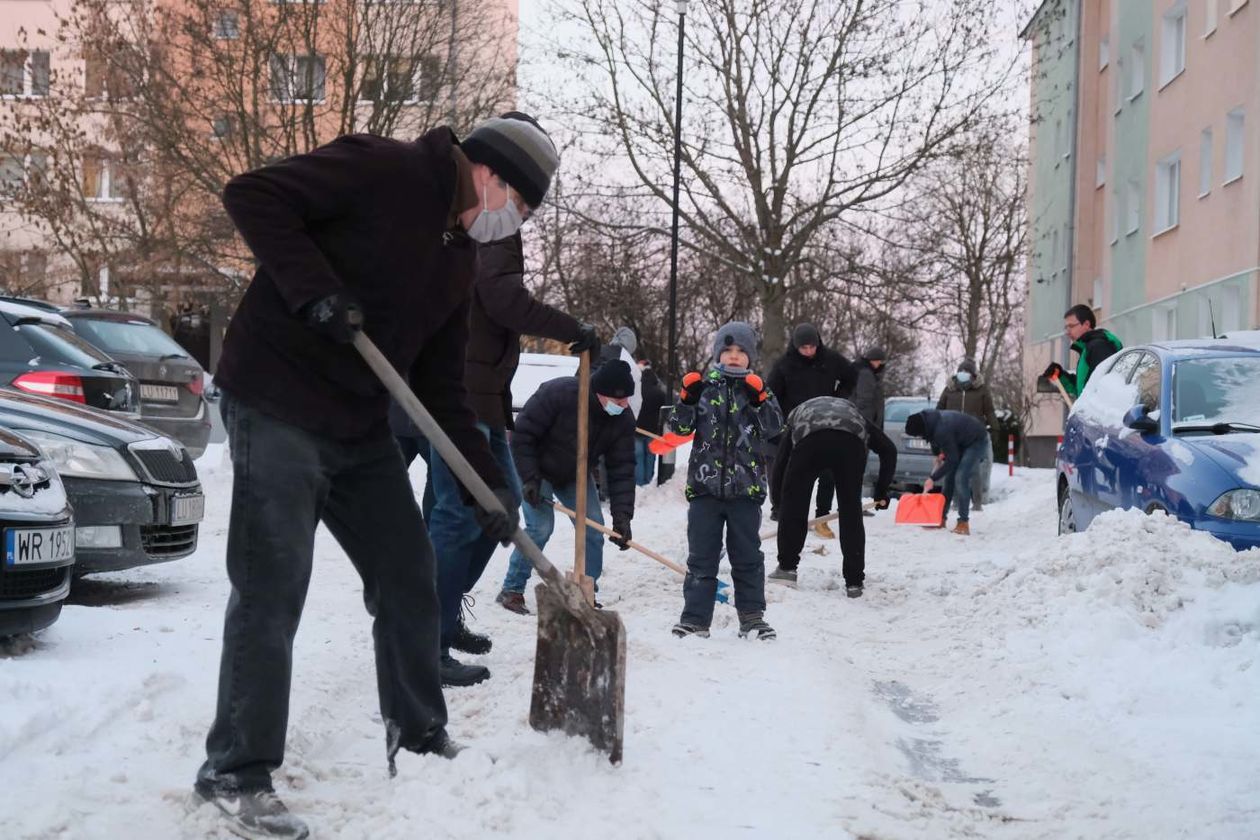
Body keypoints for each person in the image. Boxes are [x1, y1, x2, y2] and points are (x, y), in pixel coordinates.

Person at [195, 114, 557, 838]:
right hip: (276, 396)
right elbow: (253, 195)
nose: (513, 222)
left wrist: (486, 485)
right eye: (519, 205)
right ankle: (235, 772)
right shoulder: (383, 169)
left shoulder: (456, 262)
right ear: (488, 175)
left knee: (408, 572)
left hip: (357, 426)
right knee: (274, 584)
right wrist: (313, 290)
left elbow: (442, 389)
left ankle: (419, 738)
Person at [413, 206, 601, 686]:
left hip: (485, 398)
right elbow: (501, 299)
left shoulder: (490, 226)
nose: (530, 204)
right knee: (458, 514)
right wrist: (571, 330)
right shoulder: (489, 223)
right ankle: (425, 643)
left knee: (505, 508)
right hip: (461, 395)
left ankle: (445, 612)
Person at [670, 322, 783, 640]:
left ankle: (751, 617)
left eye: (741, 352)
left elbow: (775, 427)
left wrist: (761, 399)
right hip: (705, 491)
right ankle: (694, 619)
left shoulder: (758, 391)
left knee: (747, 556)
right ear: (718, 354)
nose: (734, 357)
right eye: (728, 350)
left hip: (745, 491)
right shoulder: (704, 389)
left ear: (750, 357)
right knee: (701, 557)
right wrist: (686, 400)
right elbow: (678, 429)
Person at [496, 360, 637, 611]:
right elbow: (522, 436)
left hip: (574, 473)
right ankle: (512, 588)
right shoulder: (559, 394)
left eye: (627, 399)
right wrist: (529, 478)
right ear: (598, 393)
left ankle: (586, 591)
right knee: (540, 527)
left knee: (594, 530)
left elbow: (622, 469)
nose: (624, 406)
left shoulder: (622, 419)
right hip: (534, 467)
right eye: (618, 401)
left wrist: (623, 517)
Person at [768, 395, 897, 597]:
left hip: (810, 442)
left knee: (795, 503)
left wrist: (779, 504)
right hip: (850, 444)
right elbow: (889, 450)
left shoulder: (797, 415)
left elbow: (780, 465)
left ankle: (786, 569)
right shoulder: (855, 415)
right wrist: (882, 491)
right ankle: (854, 582)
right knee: (850, 510)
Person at [766, 323, 857, 535]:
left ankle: (821, 516)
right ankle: (783, 509)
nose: (808, 351)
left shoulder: (831, 359)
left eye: (812, 347)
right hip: (795, 424)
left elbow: (851, 376)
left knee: (828, 471)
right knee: (789, 470)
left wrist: (837, 399)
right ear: (796, 346)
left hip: (825, 421)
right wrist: (780, 419)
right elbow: (772, 395)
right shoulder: (783, 365)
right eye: (803, 348)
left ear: (818, 344)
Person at [904, 410, 989, 535]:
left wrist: (933, 478)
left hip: (976, 441)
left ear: (921, 429)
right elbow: (937, 442)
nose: (919, 437)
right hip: (960, 441)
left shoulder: (941, 428)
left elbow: (952, 460)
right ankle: (941, 519)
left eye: (918, 435)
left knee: (960, 477)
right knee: (948, 479)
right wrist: (939, 454)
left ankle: (963, 523)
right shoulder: (929, 423)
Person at [936, 358, 998, 512]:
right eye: (961, 372)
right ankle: (956, 503)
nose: (963, 375)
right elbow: (939, 409)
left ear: (973, 375)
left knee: (974, 469)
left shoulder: (981, 390)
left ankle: (977, 503)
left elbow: (989, 410)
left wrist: (995, 428)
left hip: (973, 435)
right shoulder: (949, 389)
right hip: (953, 435)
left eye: (967, 372)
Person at [1043, 304, 1123, 399]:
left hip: (1096, 412)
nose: (1067, 332)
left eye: (1071, 326)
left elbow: (1106, 387)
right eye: (1066, 327)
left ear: (1086, 324)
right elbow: (1082, 388)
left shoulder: (1099, 347)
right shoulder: (1087, 348)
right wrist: (1060, 375)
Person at [851, 346, 886, 517]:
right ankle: (852, 504)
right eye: (877, 360)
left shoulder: (868, 373)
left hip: (863, 425)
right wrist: (867, 426)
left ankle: (852, 503)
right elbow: (864, 401)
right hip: (862, 426)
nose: (879, 364)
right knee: (856, 468)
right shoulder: (866, 374)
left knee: (857, 468)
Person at [635, 359, 669, 486]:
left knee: (638, 457)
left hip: (637, 430)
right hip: (653, 431)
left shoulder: (636, 391)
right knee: (650, 457)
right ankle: (648, 482)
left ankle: (639, 484)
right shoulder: (659, 393)